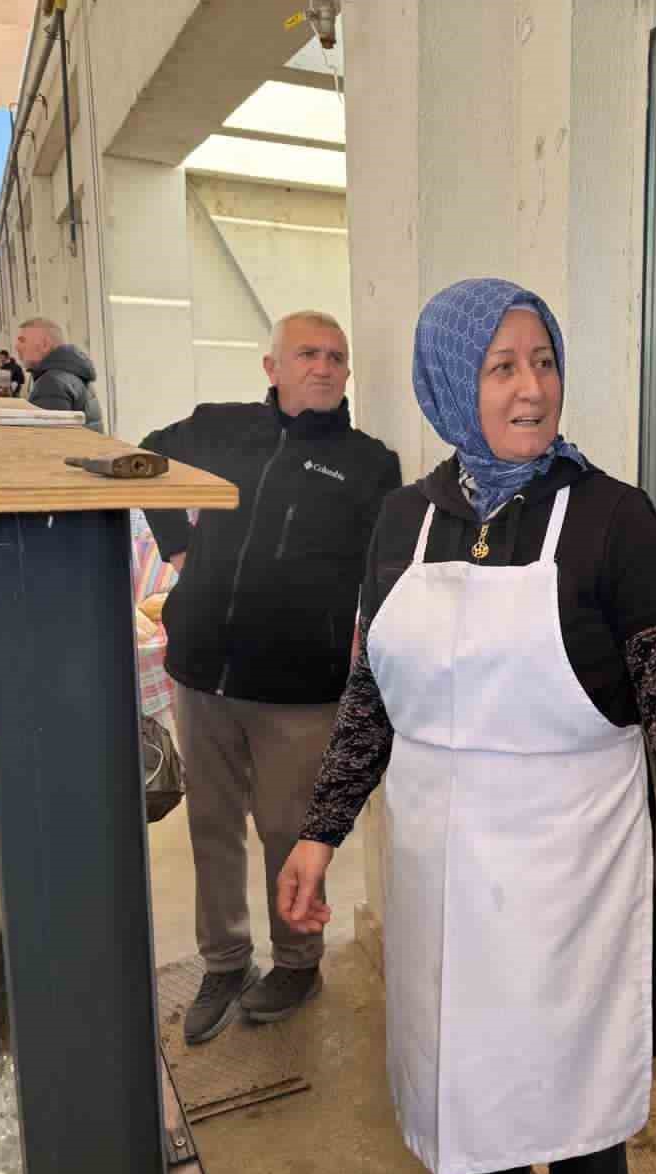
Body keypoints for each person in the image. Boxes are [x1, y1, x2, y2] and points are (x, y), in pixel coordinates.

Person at [276, 279, 656, 1174]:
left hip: (570, 896)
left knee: (580, 1128)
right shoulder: (404, 521)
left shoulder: (613, 519)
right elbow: (371, 696)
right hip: (443, 894)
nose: (531, 389)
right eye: (500, 367)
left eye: (544, 362)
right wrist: (319, 831)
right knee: (471, 1116)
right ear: (451, 382)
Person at [138, 311, 401, 1045]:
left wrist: (370, 647)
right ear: (272, 367)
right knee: (211, 826)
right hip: (203, 675)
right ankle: (224, 960)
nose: (324, 366)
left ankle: (297, 960)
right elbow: (146, 455)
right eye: (308, 353)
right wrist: (179, 546)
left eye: (337, 357)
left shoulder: (368, 462)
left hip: (300, 689)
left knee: (290, 830)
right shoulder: (222, 427)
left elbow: (385, 568)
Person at [14, 317, 103, 431]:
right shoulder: (72, 373)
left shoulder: (51, 382)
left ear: (45, 344)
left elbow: (48, 441)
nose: (16, 347)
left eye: (22, 340)